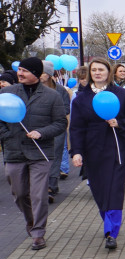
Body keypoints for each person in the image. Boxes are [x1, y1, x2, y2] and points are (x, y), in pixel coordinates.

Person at [69, 59, 125, 249]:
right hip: (93, 150)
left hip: (117, 149)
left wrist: (120, 123)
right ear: (89, 73)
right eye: (94, 70)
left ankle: (111, 232)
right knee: (100, 191)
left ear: (109, 72)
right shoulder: (81, 98)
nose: (98, 73)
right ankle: (108, 223)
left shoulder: (121, 94)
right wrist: (76, 152)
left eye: (101, 69)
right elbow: (76, 128)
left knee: (114, 190)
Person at [0, 57, 68, 250]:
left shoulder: (52, 96)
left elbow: (61, 123)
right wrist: (7, 136)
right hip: (14, 152)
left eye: (24, 70)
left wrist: (42, 133)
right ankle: (31, 222)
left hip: (40, 153)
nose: (19, 73)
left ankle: (38, 233)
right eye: (19, 69)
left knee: (38, 195)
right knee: (20, 194)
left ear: (36, 74)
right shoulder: (7, 93)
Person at [40, 59, 71, 203]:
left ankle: (51, 186)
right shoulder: (33, 89)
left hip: (57, 128)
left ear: (49, 74)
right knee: (41, 157)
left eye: (42, 72)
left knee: (55, 155)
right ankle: (44, 185)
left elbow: (65, 109)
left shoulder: (60, 90)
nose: (39, 75)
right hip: (38, 129)